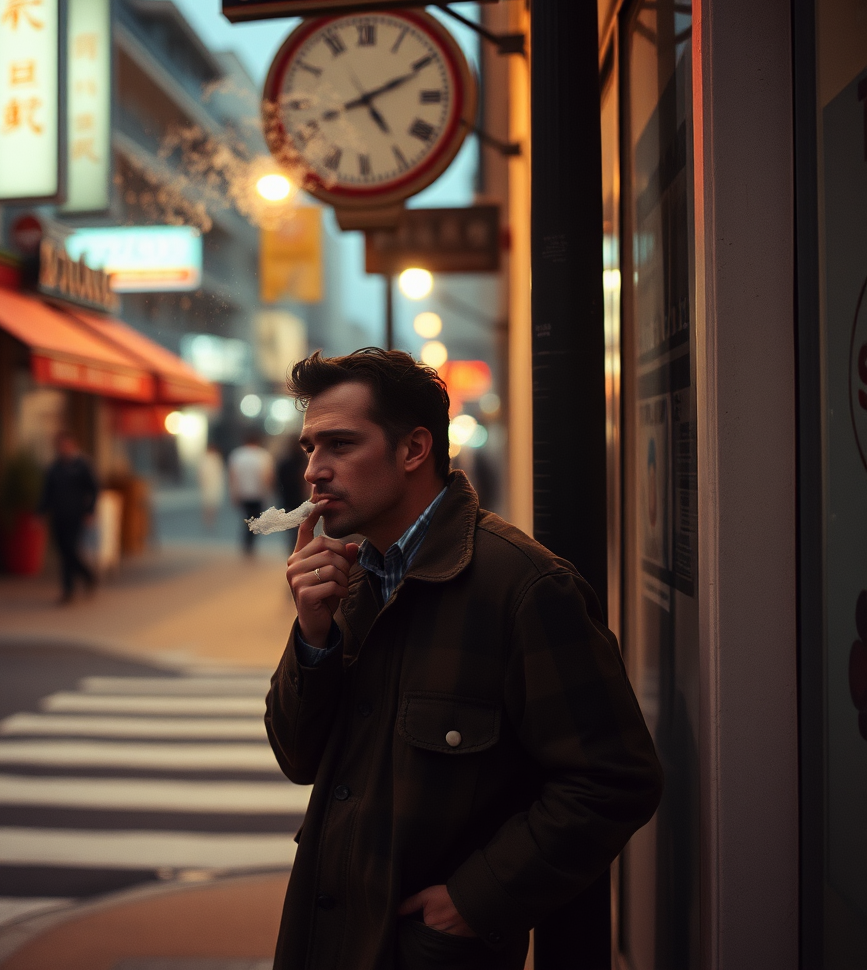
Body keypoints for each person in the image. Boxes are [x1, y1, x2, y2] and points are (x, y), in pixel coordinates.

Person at [266, 349, 662, 970]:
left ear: (414, 450)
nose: (314, 470)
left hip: (430, 952)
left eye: (340, 444)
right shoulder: (352, 578)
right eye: (310, 447)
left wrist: (476, 899)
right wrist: (313, 636)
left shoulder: (524, 585)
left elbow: (615, 779)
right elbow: (297, 757)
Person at [40, 430, 98, 604]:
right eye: (60, 446)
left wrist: (89, 511)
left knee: (71, 550)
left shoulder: (82, 466)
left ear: (73, 445)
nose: (63, 448)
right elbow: (47, 493)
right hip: (59, 516)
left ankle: (77, 583)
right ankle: (76, 584)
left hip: (76, 515)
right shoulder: (54, 467)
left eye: (66, 445)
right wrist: (40, 513)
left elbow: (94, 489)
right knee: (63, 552)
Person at [228, 431, 275, 556]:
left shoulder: (237, 455)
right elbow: (267, 477)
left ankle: (247, 543)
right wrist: (268, 493)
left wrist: (233, 492)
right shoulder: (263, 455)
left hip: (242, 493)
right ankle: (249, 543)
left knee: (247, 518)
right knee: (254, 519)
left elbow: (233, 476)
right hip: (258, 493)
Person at [276, 435, 310, 554]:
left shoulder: (284, 462)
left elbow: (278, 482)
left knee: (291, 526)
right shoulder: (304, 461)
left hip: (287, 498)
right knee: (300, 525)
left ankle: (293, 549)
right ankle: (297, 549)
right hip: (301, 498)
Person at [197, 443, 227, 529]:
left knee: (214, 503)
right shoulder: (205, 459)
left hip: (215, 483)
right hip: (209, 484)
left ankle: (211, 520)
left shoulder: (216, 458)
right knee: (208, 503)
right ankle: (208, 521)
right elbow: (201, 473)